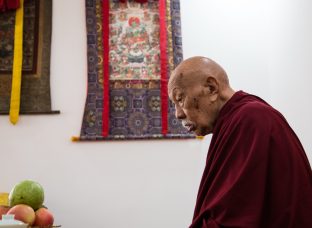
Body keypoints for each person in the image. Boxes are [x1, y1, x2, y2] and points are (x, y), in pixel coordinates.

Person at [168, 56, 312, 228]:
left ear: (211, 88)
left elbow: (233, 218)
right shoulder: (236, 120)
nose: (178, 114)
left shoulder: (251, 118)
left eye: (180, 99)